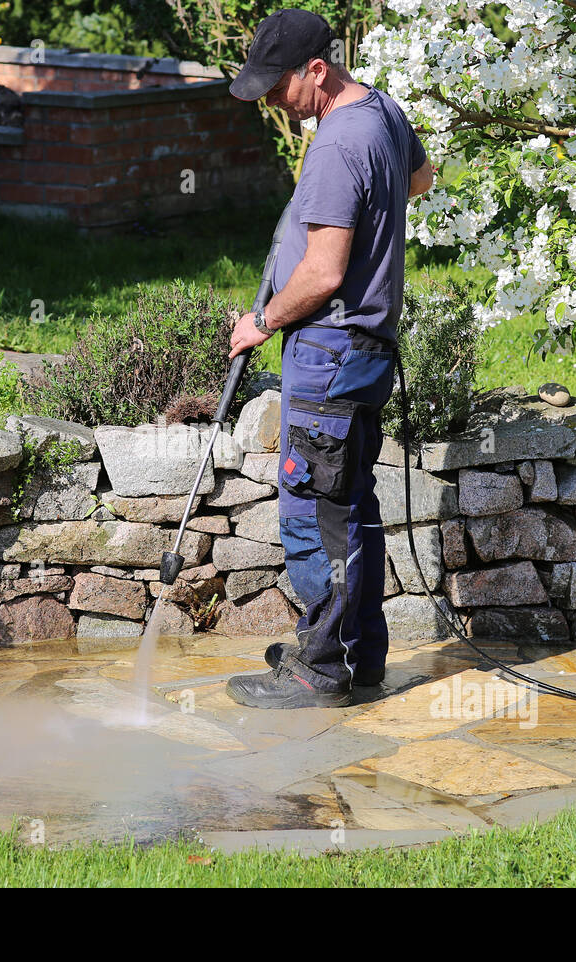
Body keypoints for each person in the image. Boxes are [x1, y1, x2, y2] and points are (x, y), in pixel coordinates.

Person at [223, 8, 434, 708]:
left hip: (331, 352)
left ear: (317, 69)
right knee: (352, 510)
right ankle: (356, 658)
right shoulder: (383, 113)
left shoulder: (339, 143)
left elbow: (322, 271)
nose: (275, 104)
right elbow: (420, 180)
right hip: (367, 354)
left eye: (279, 88)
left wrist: (261, 321)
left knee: (316, 516)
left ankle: (320, 670)